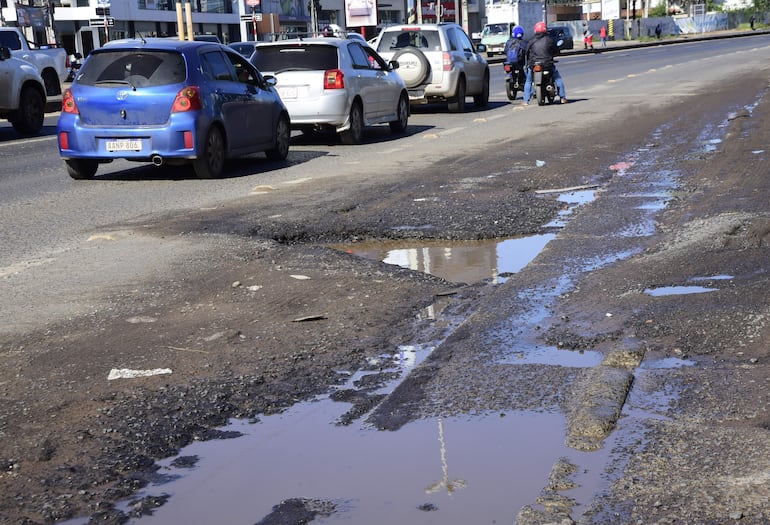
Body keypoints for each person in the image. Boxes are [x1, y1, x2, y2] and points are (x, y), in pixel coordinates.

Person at [522, 21, 567, 105]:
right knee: (557, 79)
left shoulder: (531, 40)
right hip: (547, 63)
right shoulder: (549, 39)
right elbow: (556, 51)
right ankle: (562, 97)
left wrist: (529, 63)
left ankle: (525, 100)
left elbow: (527, 52)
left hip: (534, 64)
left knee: (528, 81)